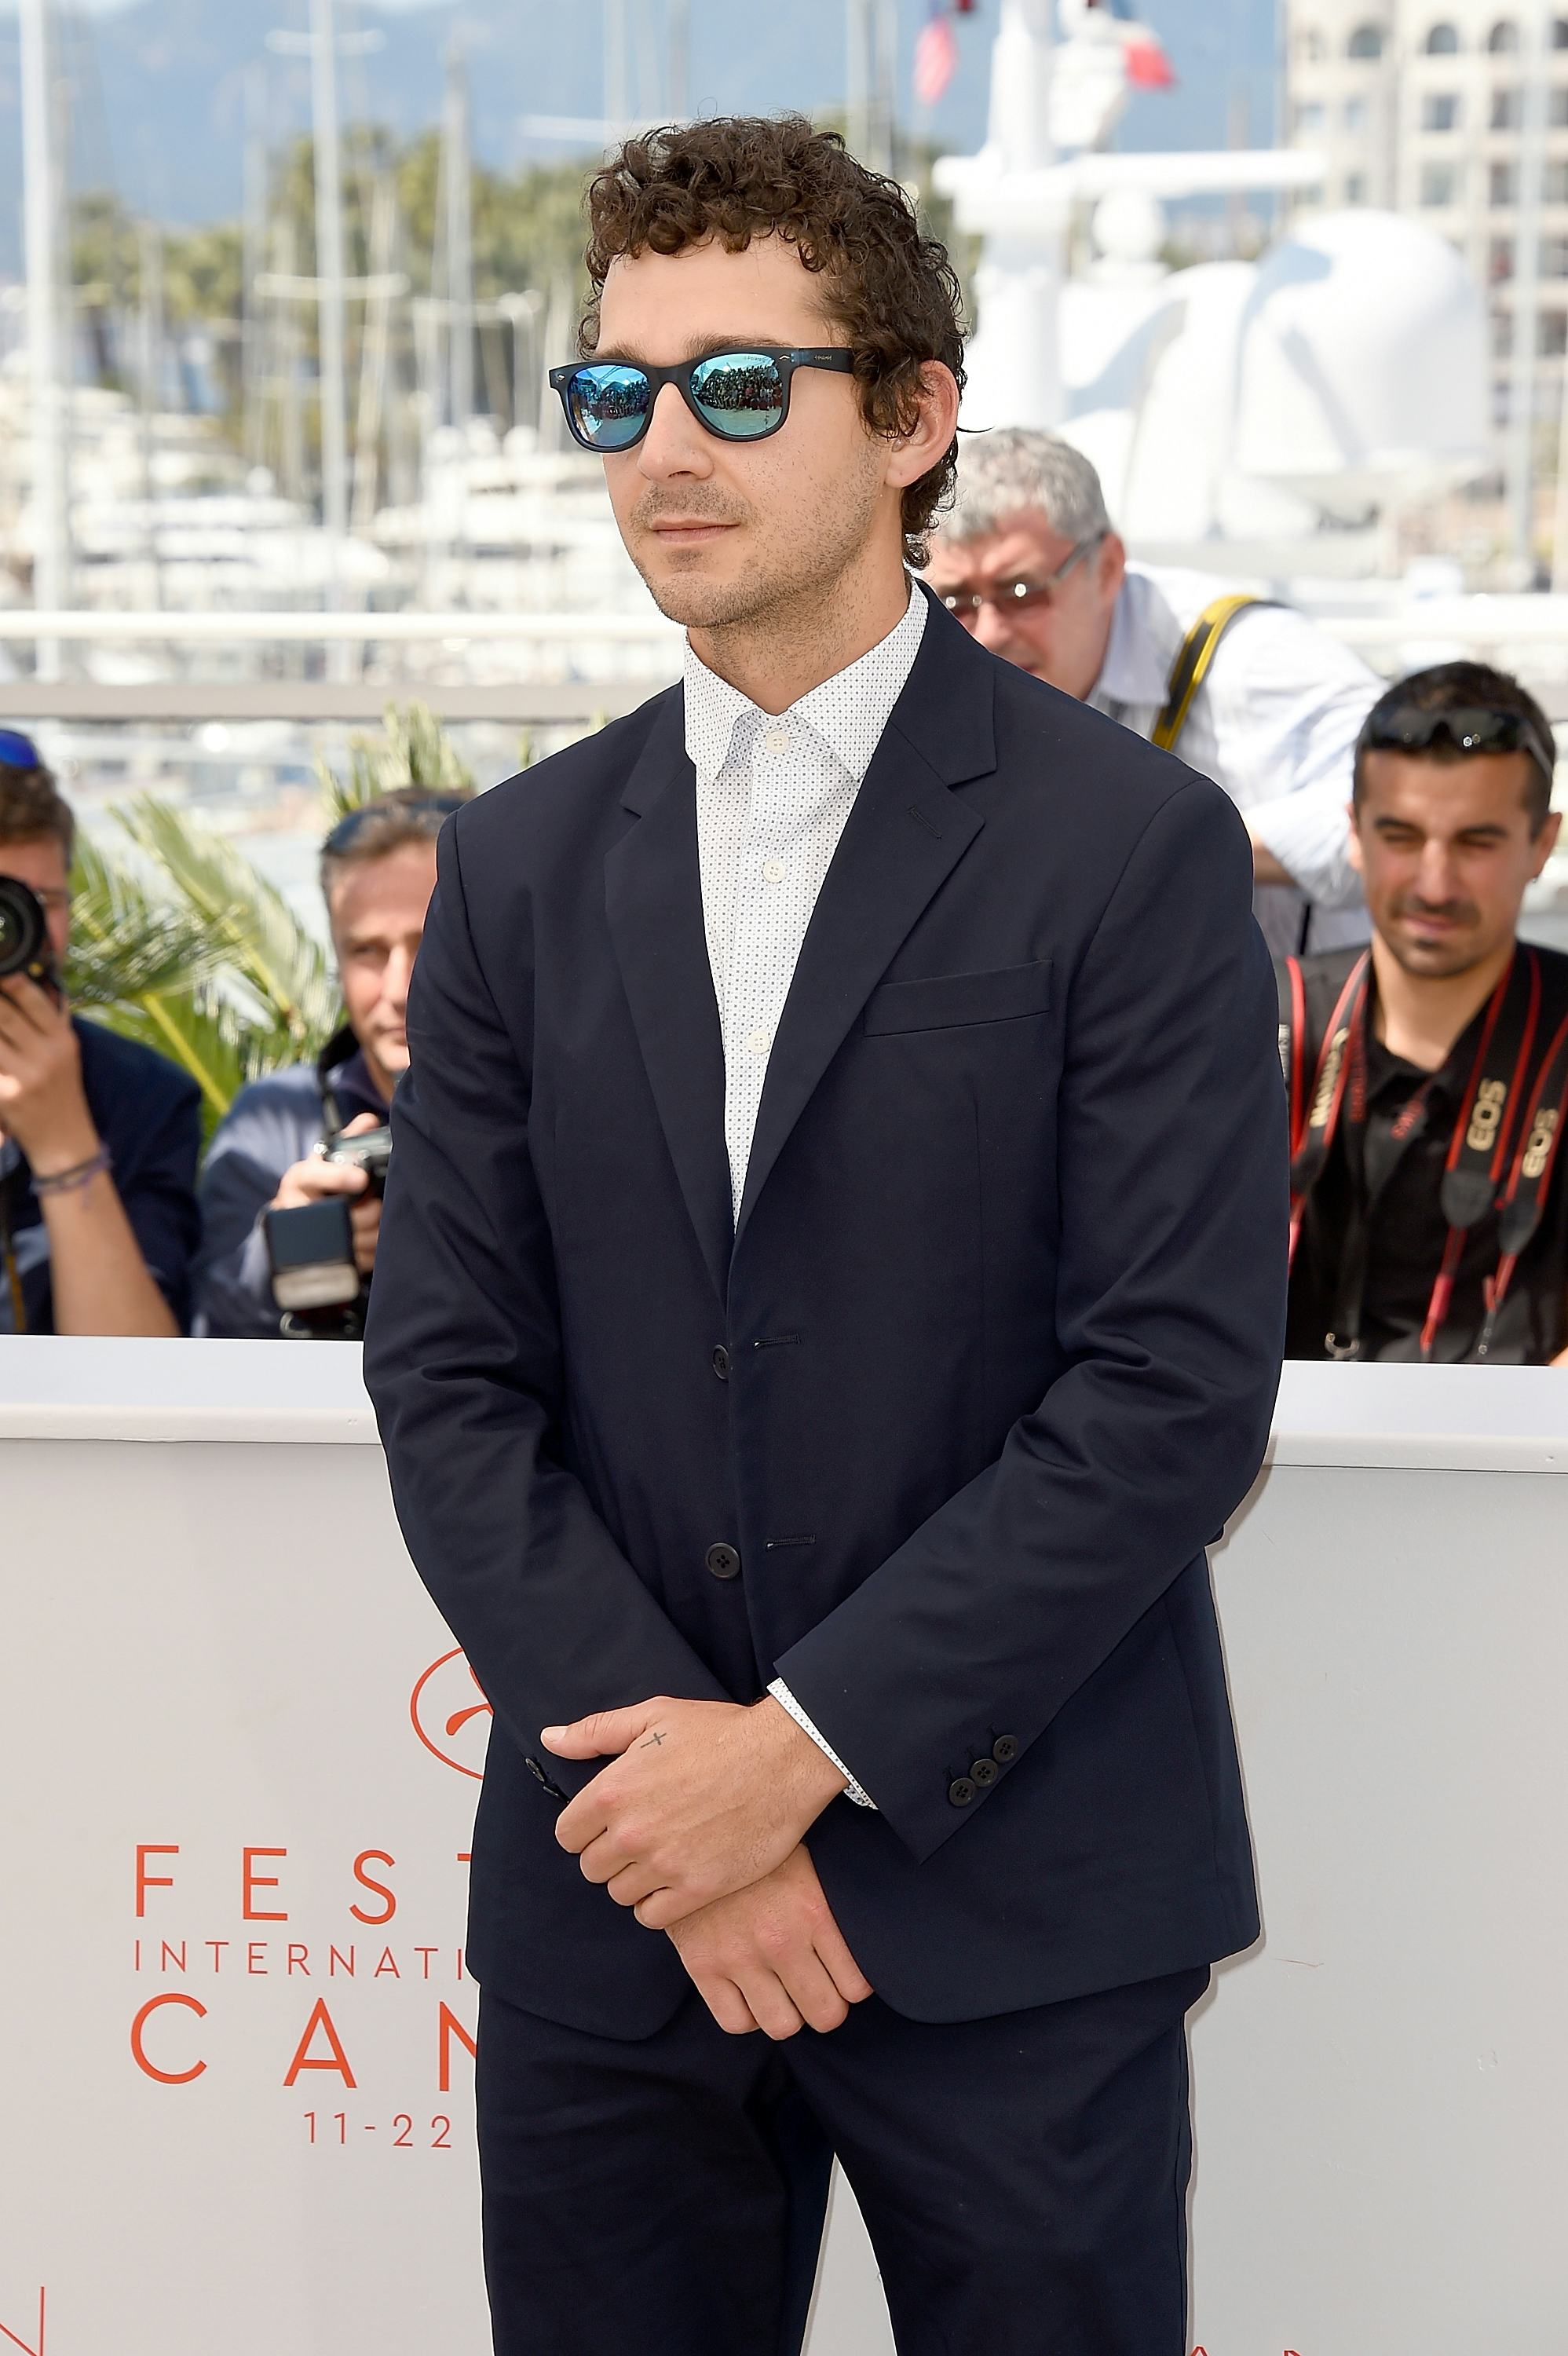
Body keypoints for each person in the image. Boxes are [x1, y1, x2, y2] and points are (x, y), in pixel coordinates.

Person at [364, 116, 1286, 2356]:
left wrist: (795, 1757)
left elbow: (1168, 1390)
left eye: (736, 384)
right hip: (613, 1917)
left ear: (911, 414)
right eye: (617, 391)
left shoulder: (1134, 848)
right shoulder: (516, 864)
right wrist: (671, 1804)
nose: (664, 448)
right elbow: (450, 1373)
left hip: (1015, 1906)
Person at [924, 428, 1380, 957]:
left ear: (1107, 568)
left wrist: (1172, 847)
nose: (988, 633)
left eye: (1021, 592)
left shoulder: (1252, 659)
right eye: (955, 600)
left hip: (1308, 1000)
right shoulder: (933, 669)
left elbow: (1410, 806)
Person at [1281, 661, 1568, 1365]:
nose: (1434, 884)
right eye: (1401, 837)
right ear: (1354, 834)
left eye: (1476, 842)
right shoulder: (1261, 1021)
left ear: (1542, 843)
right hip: (1277, 1434)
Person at [196, 788, 462, 1339]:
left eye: (428, 944)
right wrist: (285, 1254)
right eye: (366, 951)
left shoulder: (560, 1115)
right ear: (335, 955)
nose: (398, 990)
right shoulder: (270, 1125)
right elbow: (204, 1338)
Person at [0, 731, 201, 1336]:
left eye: (40, 902)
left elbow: (140, 1371)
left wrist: (64, 1144)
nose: (16, 931)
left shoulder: (144, 1097)